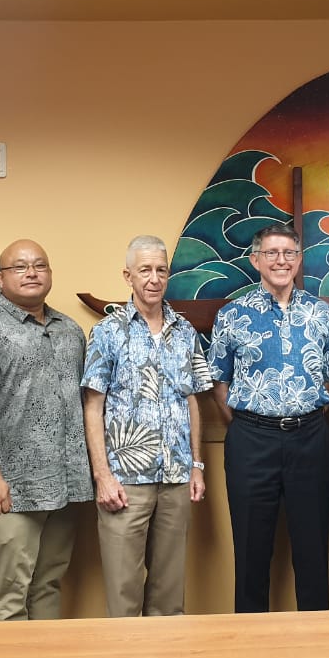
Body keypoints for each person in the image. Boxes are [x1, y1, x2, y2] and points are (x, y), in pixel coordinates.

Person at [0, 239, 92, 621]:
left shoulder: (70, 330)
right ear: (0, 278)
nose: (31, 273)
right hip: (9, 489)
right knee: (9, 597)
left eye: (39, 265)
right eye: (20, 267)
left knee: (48, 585)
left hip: (63, 487)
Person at [208, 223, 329, 612]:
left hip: (310, 438)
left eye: (289, 253)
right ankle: (249, 646)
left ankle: (316, 641)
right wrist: (253, 425)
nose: (281, 261)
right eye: (272, 253)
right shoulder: (232, 315)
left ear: (299, 261)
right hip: (251, 439)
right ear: (255, 260)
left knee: (313, 548)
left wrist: (304, 414)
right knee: (250, 549)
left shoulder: (322, 315)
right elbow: (221, 383)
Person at [81, 235, 213, 617]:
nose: (154, 279)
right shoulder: (107, 332)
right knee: (123, 597)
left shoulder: (185, 332)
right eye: (145, 271)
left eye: (161, 270)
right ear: (128, 276)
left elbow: (193, 400)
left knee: (169, 598)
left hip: (176, 478)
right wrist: (102, 476)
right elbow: (93, 406)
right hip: (124, 482)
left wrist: (197, 465)